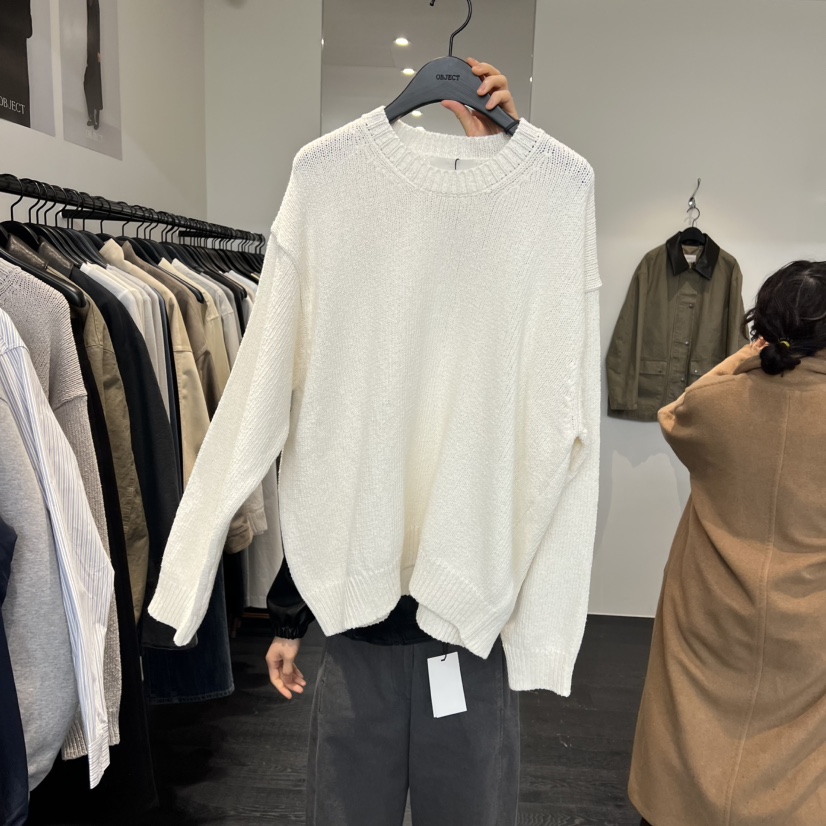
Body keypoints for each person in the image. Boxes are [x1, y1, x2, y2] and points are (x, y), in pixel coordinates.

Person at [265, 60, 523, 826]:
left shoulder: (507, 297)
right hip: (366, 633)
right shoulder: (353, 312)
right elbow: (325, 467)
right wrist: (289, 615)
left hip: (462, 630)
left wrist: (507, 152)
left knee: (464, 808)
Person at [629, 260, 826, 826]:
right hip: (811, 620)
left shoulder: (716, 405)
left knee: (688, 736)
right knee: (797, 762)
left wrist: (750, 356)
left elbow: (676, 412)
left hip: (710, 607)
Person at [84, 0, 102, 130]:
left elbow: (96, 27)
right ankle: (91, 116)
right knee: (88, 83)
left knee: (95, 84)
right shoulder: (89, 3)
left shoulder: (94, 4)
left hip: (94, 51)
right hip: (90, 51)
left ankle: (95, 118)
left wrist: (97, 51)